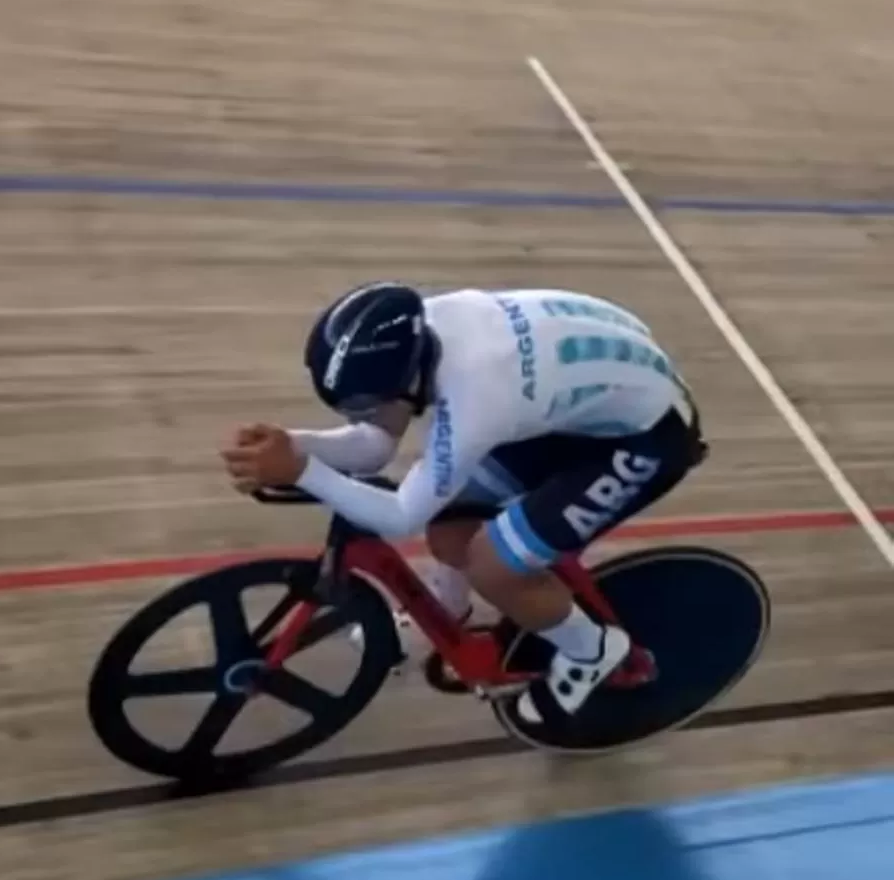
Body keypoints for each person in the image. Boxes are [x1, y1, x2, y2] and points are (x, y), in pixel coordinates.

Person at [222, 282, 707, 724]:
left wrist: (300, 469)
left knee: (493, 566)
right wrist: (294, 444)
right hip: (575, 403)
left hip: (645, 438)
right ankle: (449, 608)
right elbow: (376, 444)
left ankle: (592, 651)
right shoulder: (423, 331)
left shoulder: (476, 395)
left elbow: (400, 516)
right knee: (451, 527)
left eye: (367, 402)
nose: (362, 415)